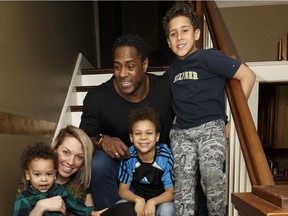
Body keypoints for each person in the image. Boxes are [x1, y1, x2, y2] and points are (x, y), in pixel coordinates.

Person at [162, 2, 256, 216]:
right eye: (173, 34)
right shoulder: (171, 71)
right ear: (168, 42)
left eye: (184, 31)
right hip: (182, 133)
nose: (179, 38)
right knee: (183, 185)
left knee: (212, 174)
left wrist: (233, 123)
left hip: (210, 128)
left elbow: (247, 76)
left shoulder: (209, 57)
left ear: (196, 33)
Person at [79, 34, 174, 210]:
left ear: (145, 65)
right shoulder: (97, 98)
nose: (122, 74)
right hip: (125, 171)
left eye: (130, 66)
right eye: (117, 67)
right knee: (98, 162)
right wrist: (102, 140)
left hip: (161, 169)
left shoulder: (165, 88)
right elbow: (82, 138)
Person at [13, 142, 103, 216]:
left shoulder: (59, 190)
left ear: (54, 174)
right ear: (28, 175)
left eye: (49, 174)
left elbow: (75, 205)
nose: (44, 179)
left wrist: (92, 212)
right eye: (37, 174)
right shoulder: (23, 199)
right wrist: (40, 207)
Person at [118, 106, 176, 216]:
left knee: (167, 210)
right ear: (131, 137)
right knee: (121, 205)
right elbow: (123, 190)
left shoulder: (166, 156)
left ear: (157, 137)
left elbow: (171, 192)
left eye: (149, 133)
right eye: (138, 133)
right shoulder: (129, 156)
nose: (143, 137)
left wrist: (152, 202)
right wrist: (138, 200)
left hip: (160, 202)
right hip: (137, 200)